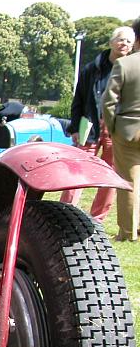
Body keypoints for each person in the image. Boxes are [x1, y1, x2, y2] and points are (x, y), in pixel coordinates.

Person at [61, 25, 135, 221]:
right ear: (111, 42)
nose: (124, 44)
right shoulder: (91, 69)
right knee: (77, 169)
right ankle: (65, 213)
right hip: (90, 127)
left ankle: (98, 218)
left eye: (129, 41)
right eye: (120, 39)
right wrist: (75, 127)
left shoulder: (132, 70)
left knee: (111, 174)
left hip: (116, 129)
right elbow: (78, 100)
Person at [103, 18, 140, 241]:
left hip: (128, 130)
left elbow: (108, 101)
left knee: (128, 181)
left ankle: (128, 232)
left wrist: (112, 126)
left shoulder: (125, 64)